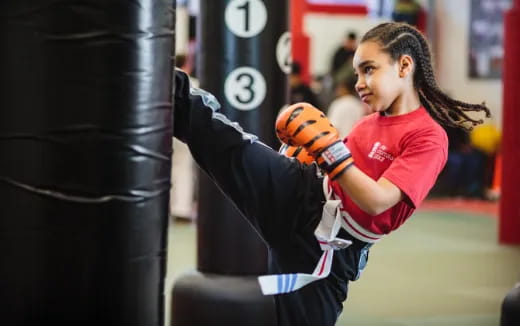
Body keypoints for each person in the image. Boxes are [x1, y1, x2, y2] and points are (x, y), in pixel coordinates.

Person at [172, 22, 490, 326]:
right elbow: (334, 171)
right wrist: (310, 155)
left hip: (332, 247)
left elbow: (378, 201)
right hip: (302, 193)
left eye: (369, 69)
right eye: (357, 73)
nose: (359, 82)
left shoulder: (428, 137)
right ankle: (163, 81)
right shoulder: (368, 123)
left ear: (404, 66)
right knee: (226, 141)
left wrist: (330, 151)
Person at [327, 73, 367, 139]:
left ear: (344, 88)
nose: (337, 90)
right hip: (354, 143)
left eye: (340, 87)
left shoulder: (338, 103)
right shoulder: (358, 105)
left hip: (339, 144)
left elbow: (333, 127)